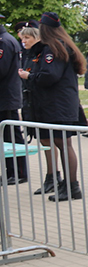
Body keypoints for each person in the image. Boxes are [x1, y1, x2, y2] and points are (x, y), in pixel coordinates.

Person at [18, 13, 88, 201]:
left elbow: (49, 76)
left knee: (63, 144)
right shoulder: (59, 45)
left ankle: (72, 186)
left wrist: (28, 77)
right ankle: (67, 184)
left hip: (57, 105)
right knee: (60, 143)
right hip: (58, 104)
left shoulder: (52, 48)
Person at [1, 21, 27, 184]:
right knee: (6, 136)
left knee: (11, 136)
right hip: (5, 97)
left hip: (6, 97)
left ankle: (18, 172)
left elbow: (1, 70)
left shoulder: (4, 42)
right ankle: (11, 171)